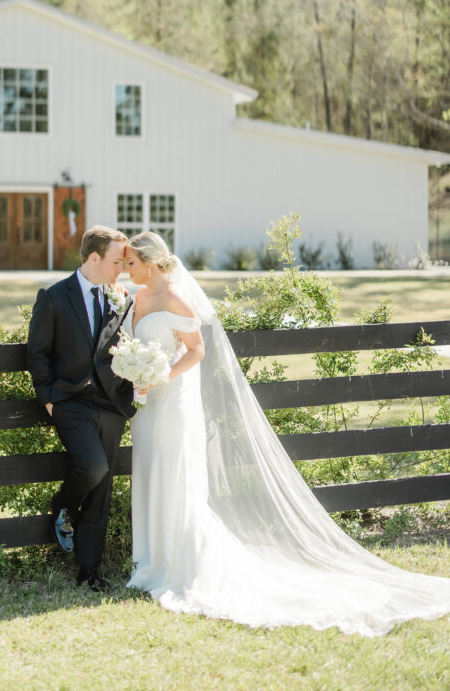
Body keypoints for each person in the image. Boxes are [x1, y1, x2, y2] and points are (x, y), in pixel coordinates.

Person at [122, 230, 450, 636]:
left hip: (172, 402)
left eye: (131, 263)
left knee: (174, 476)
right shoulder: (136, 296)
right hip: (146, 406)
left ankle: (179, 562)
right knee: (150, 471)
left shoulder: (175, 298)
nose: (127, 269)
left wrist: (162, 376)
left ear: (149, 263)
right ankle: (151, 560)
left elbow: (196, 351)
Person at [26, 224, 134, 591]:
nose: (122, 269)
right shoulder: (54, 297)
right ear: (94, 258)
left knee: (103, 488)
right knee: (93, 467)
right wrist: (49, 399)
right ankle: (64, 505)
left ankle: (89, 570)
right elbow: (38, 354)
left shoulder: (119, 297)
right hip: (70, 401)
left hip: (111, 404)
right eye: (117, 262)